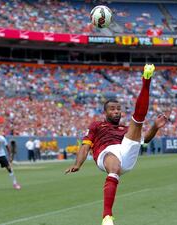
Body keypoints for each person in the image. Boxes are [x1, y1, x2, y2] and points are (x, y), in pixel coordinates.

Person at [65, 64, 168, 225]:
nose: (116, 111)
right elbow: (85, 146)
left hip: (125, 155)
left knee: (138, 121)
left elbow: (145, 140)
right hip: (105, 153)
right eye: (112, 109)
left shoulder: (125, 129)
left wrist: (155, 127)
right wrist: (78, 164)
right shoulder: (97, 125)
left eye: (118, 109)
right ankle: (107, 216)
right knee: (114, 167)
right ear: (105, 113)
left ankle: (147, 79)